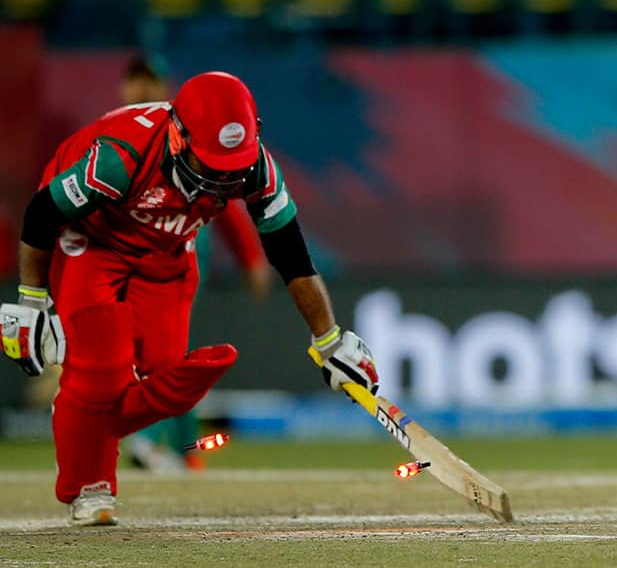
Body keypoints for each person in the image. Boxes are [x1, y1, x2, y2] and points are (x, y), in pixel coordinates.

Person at [1, 71, 379, 526]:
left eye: (233, 167)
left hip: (168, 251)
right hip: (94, 239)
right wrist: (31, 303)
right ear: (179, 140)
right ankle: (89, 482)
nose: (224, 184)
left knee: (166, 382)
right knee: (101, 370)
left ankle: (89, 420)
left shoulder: (255, 166)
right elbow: (42, 213)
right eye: (212, 168)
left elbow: (293, 258)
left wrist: (329, 341)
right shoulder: (120, 159)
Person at [117, 54, 274, 473]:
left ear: (164, 86)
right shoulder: (116, 132)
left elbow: (228, 199)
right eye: (136, 81)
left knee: (160, 353)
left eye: (150, 81)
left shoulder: (183, 133)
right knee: (161, 355)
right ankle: (186, 452)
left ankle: (150, 441)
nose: (142, 90)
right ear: (124, 87)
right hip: (125, 260)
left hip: (178, 257)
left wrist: (251, 259)